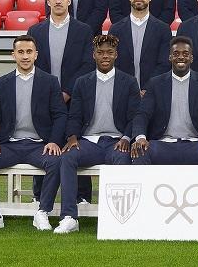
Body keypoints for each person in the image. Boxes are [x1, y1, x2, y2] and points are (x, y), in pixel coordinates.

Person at [0, 36, 67, 231]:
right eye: (21, 52)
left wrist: (54, 141)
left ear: (36, 55)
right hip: (9, 144)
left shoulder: (50, 82)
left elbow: (60, 115)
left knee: (57, 162)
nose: (25, 56)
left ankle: (42, 212)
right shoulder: (1, 83)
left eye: (29, 52)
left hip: (39, 145)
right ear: (13, 55)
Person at [52, 35, 141, 235]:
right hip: (89, 142)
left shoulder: (129, 82)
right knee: (67, 158)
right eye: (100, 53)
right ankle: (69, 217)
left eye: (110, 52)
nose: (105, 56)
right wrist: (72, 137)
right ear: (94, 55)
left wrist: (126, 138)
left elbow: (135, 117)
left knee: (124, 159)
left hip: (116, 142)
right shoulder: (82, 82)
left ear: (116, 54)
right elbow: (74, 115)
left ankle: (120, 218)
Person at [130, 37, 198, 165]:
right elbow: (142, 114)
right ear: (170, 58)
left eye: (185, 54)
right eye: (176, 54)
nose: (180, 57)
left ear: (191, 58)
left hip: (195, 143)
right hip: (163, 143)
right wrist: (140, 137)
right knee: (140, 151)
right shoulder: (155, 83)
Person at [27, 0, 95, 102]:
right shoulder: (34, 31)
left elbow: (88, 64)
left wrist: (68, 92)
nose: (58, 2)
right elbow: (31, 63)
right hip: (42, 97)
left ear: (69, 1)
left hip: (75, 98)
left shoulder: (84, 30)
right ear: (48, 2)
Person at [106, 0, 172, 88]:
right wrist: (128, 88)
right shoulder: (115, 29)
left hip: (153, 92)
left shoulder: (163, 29)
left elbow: (165, 64)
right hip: (123, 91)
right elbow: (112, 62)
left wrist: (148, 88)